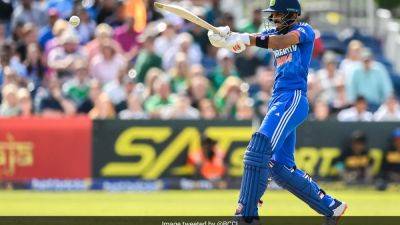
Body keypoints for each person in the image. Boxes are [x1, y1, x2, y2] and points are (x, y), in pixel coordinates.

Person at [207, 0, 347, 222]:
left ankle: (246, 215)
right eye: (273, 15)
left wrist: (244, 38)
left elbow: (280, 41)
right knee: (279, 168)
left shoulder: (303, 30)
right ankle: (331, 206)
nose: (274, 18)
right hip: (278, 100)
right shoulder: (273, 33)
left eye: (278, 14)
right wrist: (227, 38)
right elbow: (251, 43)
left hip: (292, 98)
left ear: (291, 15)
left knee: (258, 148)